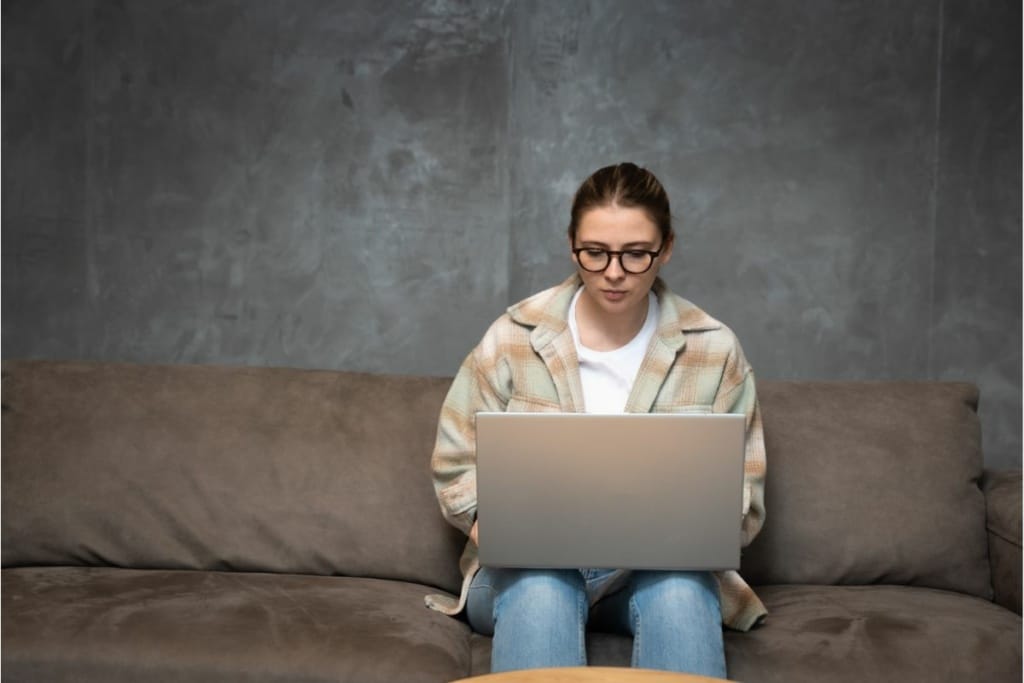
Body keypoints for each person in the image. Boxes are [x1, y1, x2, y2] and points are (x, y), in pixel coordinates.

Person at [424, 162, 767, 676]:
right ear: (571, 245)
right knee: (542, 587)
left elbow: (744, 501)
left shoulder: (714, 350)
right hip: (527, 571)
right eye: (596, 252)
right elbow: (454, 464)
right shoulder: (512, 336)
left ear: (666, 248)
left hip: (658, 573)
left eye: (635, 254)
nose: (613, 272)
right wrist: (495, 526)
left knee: (679, 593)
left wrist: (692, 527)